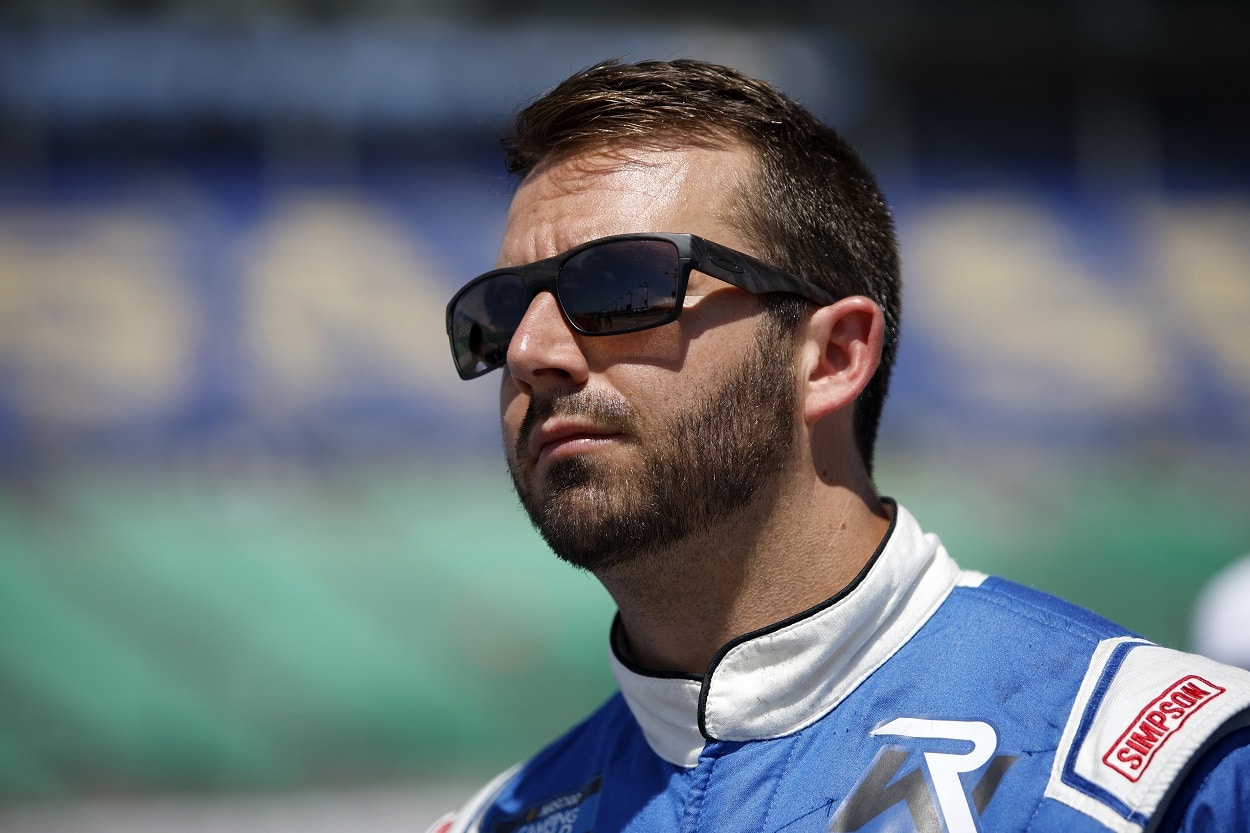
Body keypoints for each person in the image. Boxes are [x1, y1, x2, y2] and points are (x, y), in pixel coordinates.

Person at [432, 58, 1250, 833]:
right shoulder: (498, 818)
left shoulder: (1167, 777)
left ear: (830, 357)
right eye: (500, 313)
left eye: (618, 285)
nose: (532, 351)